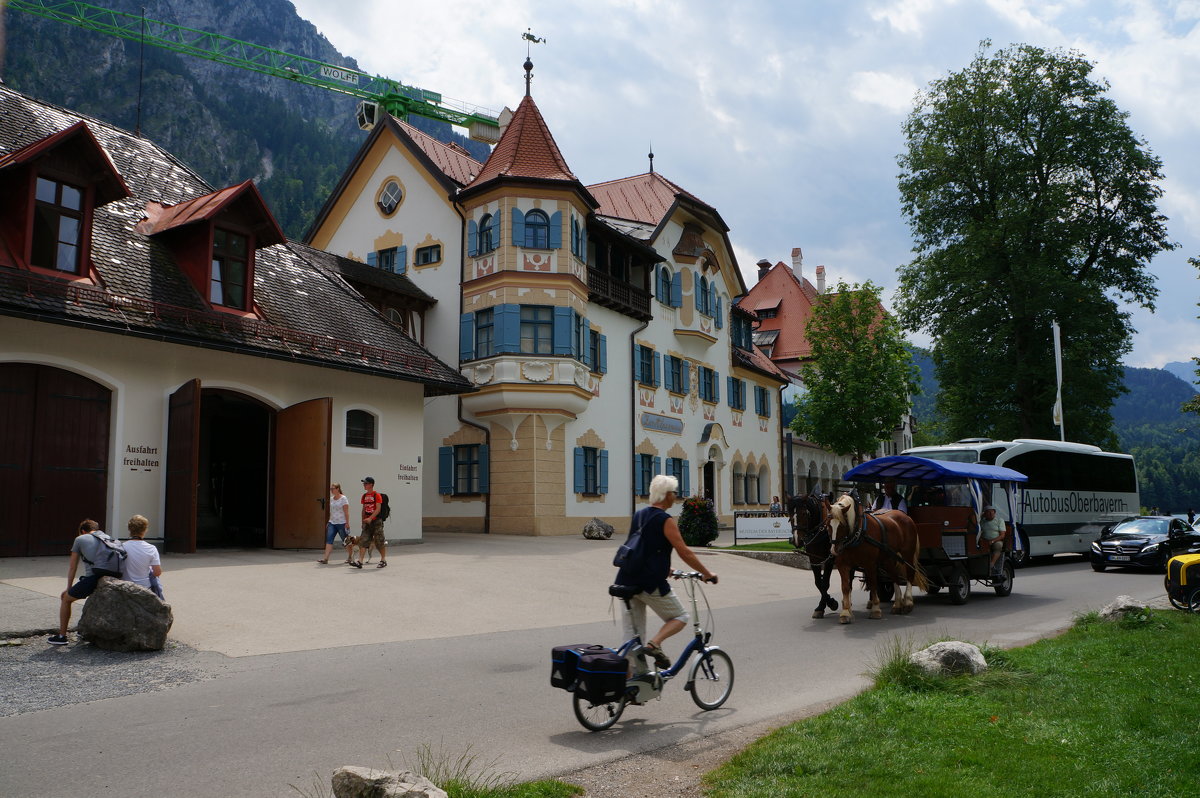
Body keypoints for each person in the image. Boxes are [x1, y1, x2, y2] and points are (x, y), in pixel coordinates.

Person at [614, 474, 718, 674]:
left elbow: (638, 549)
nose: (676, 496)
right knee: (680, 616)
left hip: (626, 580)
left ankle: (627, 686)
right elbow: (684, 551)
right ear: (666, 495)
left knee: (631, 638)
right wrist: (706, 573)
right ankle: (655, 644)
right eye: (674, 493)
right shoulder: (665, 519)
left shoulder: (640, 514)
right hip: (649, 583)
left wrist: (666, 569)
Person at [48, 520, 122, 645]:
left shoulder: (80, 539)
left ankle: (62, 636)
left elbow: (73, 567)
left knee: (65, 598)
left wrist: (68, 588)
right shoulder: (109, 538)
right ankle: (84, 630)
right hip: (112, 577)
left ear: (83, 531)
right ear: (97, 529)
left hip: (93, 578)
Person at [120, 515, 164, 599]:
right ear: (145, 530)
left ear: (129, 529)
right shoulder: (151, 548)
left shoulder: (121, 547)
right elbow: (157, 572)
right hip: (144, 588)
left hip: (125, 587)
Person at [352, 477, 386, 569]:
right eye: (364, 483)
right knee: (363, 541)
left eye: (366, 483)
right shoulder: (364, 496)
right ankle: (360, 561)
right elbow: (363, 509)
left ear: (371, 484)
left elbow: (378, 509)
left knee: (379, 542)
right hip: (367, 521)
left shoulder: (376, 495)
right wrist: (363, 521)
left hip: (376, 521)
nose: (364, 485)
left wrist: (371, 518)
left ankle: (383, 560)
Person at [319, 482, 352, 564]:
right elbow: (332, 511)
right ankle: (325, 559)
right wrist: (329, 521)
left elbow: (346, 512)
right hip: (332, 523)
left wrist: (347, 523)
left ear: (338, 489)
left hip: (342, 523)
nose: (331, 490)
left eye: (333, 489)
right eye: (331, 489)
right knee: (329, 540)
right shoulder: (331, 499)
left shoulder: (343, 498)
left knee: (345, 541)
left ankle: (350, 556)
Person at [978, 504, 1007, 576]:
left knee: (998, 546)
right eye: (988, 512)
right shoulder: (982, 521)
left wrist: (993, 541)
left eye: (992, 512)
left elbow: (1002, 535)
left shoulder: (999, 520)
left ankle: (991, 564)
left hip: (996, 540)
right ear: (985, 514)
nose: (991, 513)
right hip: (984, 540)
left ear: (995, 512)